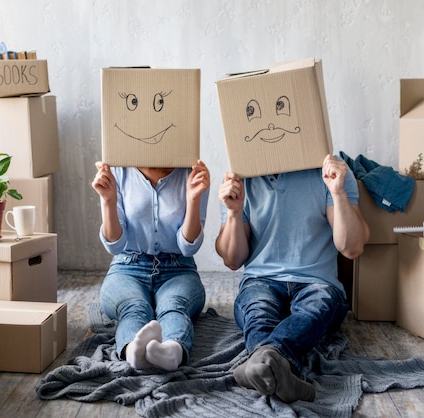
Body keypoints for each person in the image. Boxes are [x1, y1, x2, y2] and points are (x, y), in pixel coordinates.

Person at [215, 153, 370, 402]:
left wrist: (338, 192)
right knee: (257, 310)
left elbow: (352, 248)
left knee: (315, 308)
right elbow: (233, 260)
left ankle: (261, 362)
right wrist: (234, 212)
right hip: (261, 280)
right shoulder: (240, 174)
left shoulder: (331, 170)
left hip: (317, 281)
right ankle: (281, 370)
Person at [91, 160, 210, 371]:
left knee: (174, 305)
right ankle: (133, 352)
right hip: (128, 266)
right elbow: (115, 245)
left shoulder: (192, 172)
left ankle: (172, 352)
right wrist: (108, 200)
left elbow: (188, 247)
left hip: (178, 267)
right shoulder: (118, 170)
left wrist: (193, 199)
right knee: (133, 307)